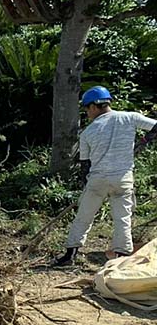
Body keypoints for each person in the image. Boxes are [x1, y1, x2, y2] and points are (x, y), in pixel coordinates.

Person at [52, 86, 157, 267]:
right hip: (122, 179)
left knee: (84, 217)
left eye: (87, 109)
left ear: (93, 106)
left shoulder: (87, 132)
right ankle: (121, 257)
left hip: (98, 180)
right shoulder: (129, 117)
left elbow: (85, 165)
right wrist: (143, 143)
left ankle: (70, 254)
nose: (87, 113)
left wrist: (86, 184)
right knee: (122, 218)